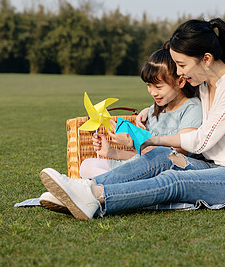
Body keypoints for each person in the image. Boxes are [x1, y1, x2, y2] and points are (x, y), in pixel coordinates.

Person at [39, 18, 225, 220]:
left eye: (181, 64)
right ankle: (85, 188)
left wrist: (153, 139)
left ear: (206, 58)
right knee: (161, 157)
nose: (179, 72)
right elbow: (180, 98)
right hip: (214, 167)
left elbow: (202, 141)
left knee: (175, 181)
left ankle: (97, 197)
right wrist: (148, 109)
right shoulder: (205, 84)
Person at [39, 43, 203, 211]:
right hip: (139, 168)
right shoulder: (154, 110)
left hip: (164, 173)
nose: (153, 92)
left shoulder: (192, 108)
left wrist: (134, 142)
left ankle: (85, 192)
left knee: (146, 177)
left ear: (181, 81)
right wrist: (113, 153)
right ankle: (86, 192)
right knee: (87, 165)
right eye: (148, 86)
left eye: (158, 86)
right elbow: (144, 158)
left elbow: (173, 156)